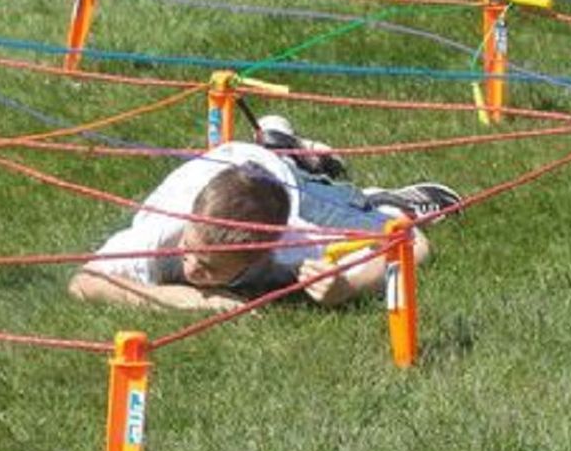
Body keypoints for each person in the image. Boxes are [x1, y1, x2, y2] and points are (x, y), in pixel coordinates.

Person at [67, 115, 462, 311]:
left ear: (261, 256)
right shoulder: (163, 234)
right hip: (233, 164)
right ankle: (282, 141)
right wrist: (188, 299)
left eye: (207, 267)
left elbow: (413, 245)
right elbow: (84, 281)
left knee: (375, 216)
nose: (190, 268)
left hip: (284, 184)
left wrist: (347, 288)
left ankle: (384, 199)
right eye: (190, 251)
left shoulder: (293, 242)